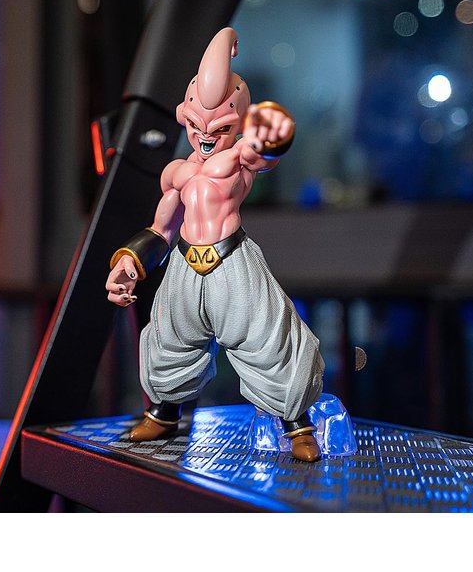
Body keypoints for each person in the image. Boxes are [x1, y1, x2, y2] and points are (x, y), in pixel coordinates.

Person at [105, 27, 324, 461]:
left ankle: (297, 425)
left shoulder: (238, 159)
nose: (205, 135)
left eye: (221, 127)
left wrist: (272, 134)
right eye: (195, 124)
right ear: (183, 117)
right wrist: (129, 263)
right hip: (185, 265)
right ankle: (163, 412)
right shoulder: (177, 173)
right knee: (169, 340)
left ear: (239, 125)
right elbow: (161, 229)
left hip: (231, 263)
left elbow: (262, 153)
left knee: (269, 341)